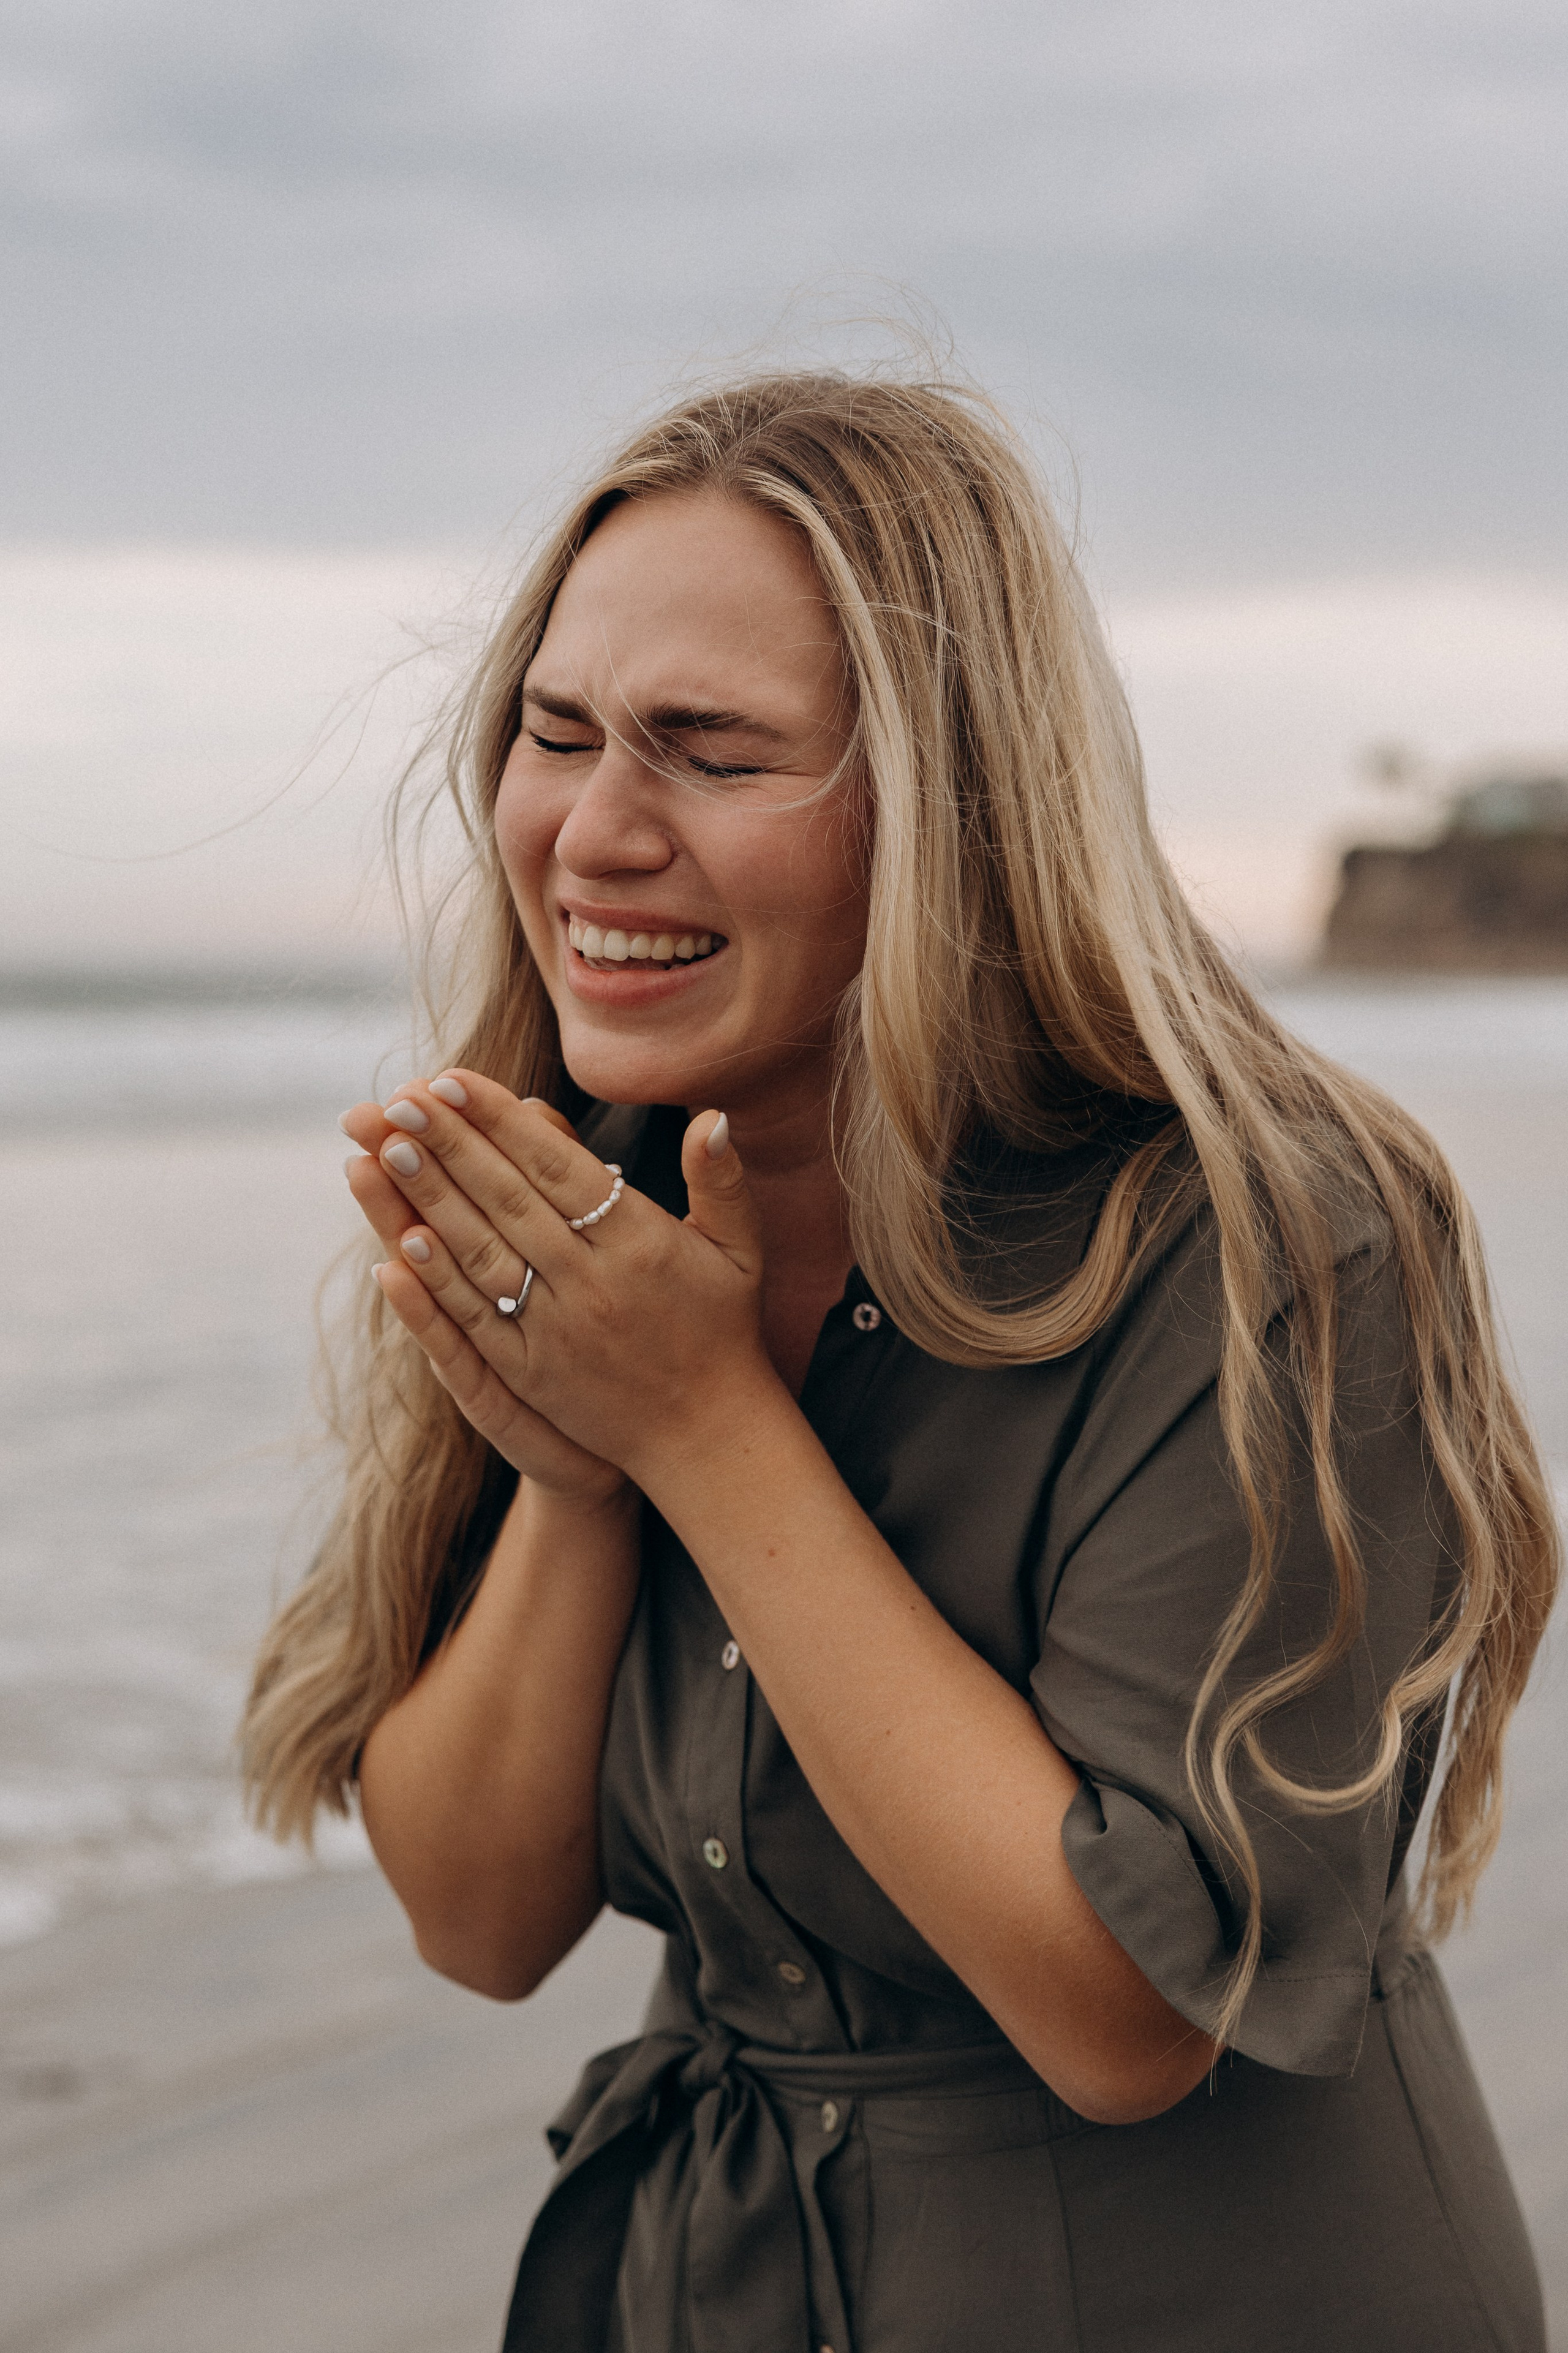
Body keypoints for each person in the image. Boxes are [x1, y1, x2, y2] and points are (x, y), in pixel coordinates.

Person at [243, 372, 1557, 2352]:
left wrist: (705, 1423)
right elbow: (478, 1914)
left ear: (952, 803)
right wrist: (596, 1461)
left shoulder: (1277, 1238)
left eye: (709, 749)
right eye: (558, 730)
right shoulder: (574, 1192)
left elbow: (1129, 2009)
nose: (596, 831)